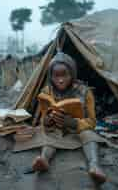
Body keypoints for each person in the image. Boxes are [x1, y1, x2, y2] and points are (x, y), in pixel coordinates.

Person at [31, 52, 107, 184]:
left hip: (78, 132)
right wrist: (47, 121)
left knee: (89, 135)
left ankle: (94, 166)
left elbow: (92, 122)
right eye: (56, 75)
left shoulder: (85, 91)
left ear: (72, 73)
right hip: (57, 130)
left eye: (64, 74)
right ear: (51, 76)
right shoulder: (46, 92)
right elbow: (43, 118)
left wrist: (74, 123)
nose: (60, 79)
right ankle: (43, 159)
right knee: (48, 135)